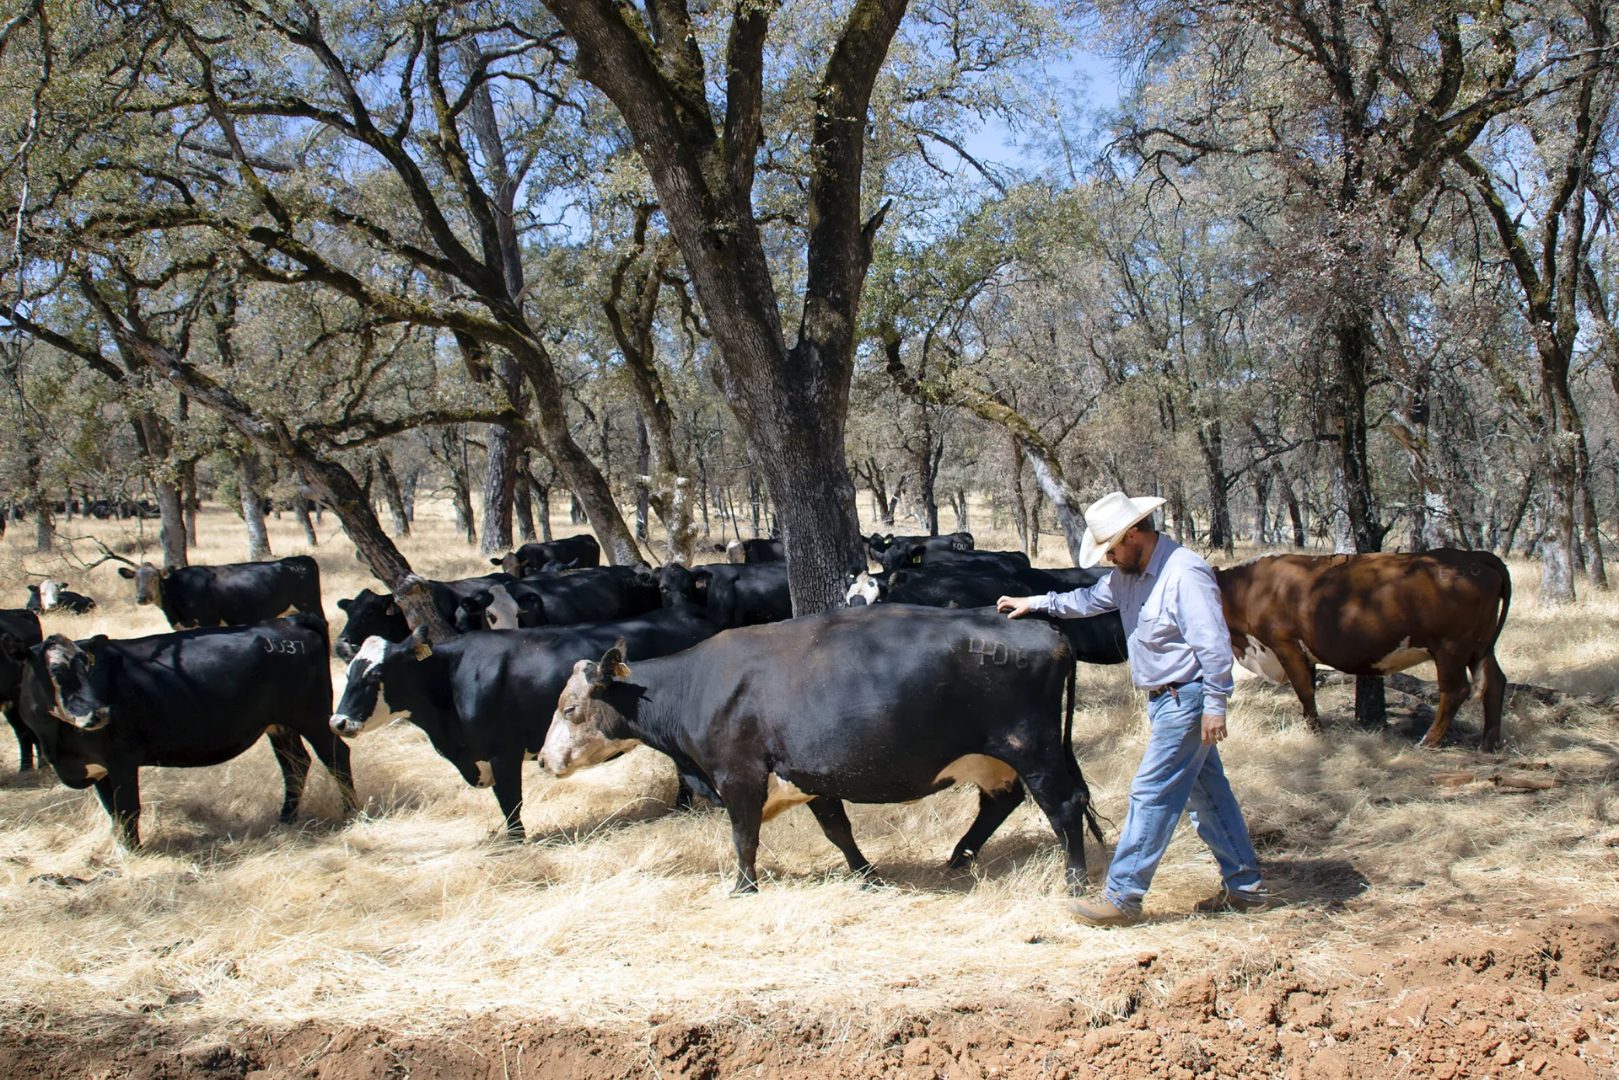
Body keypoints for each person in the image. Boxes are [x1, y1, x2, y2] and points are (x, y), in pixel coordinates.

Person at [997, 491, 1267, 926]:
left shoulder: (1184, 573)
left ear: (1135, 533)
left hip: (1188, 698)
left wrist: (1215, 704)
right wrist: (1035, 603)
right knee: (1209, 797)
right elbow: (1086, 600)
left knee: (1151, 793)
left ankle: (1123, 898)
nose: (1109, 558)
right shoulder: (1128, 575)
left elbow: (1214, 648)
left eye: (1113, 547)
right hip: (1166, 700)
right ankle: (1246, 888)